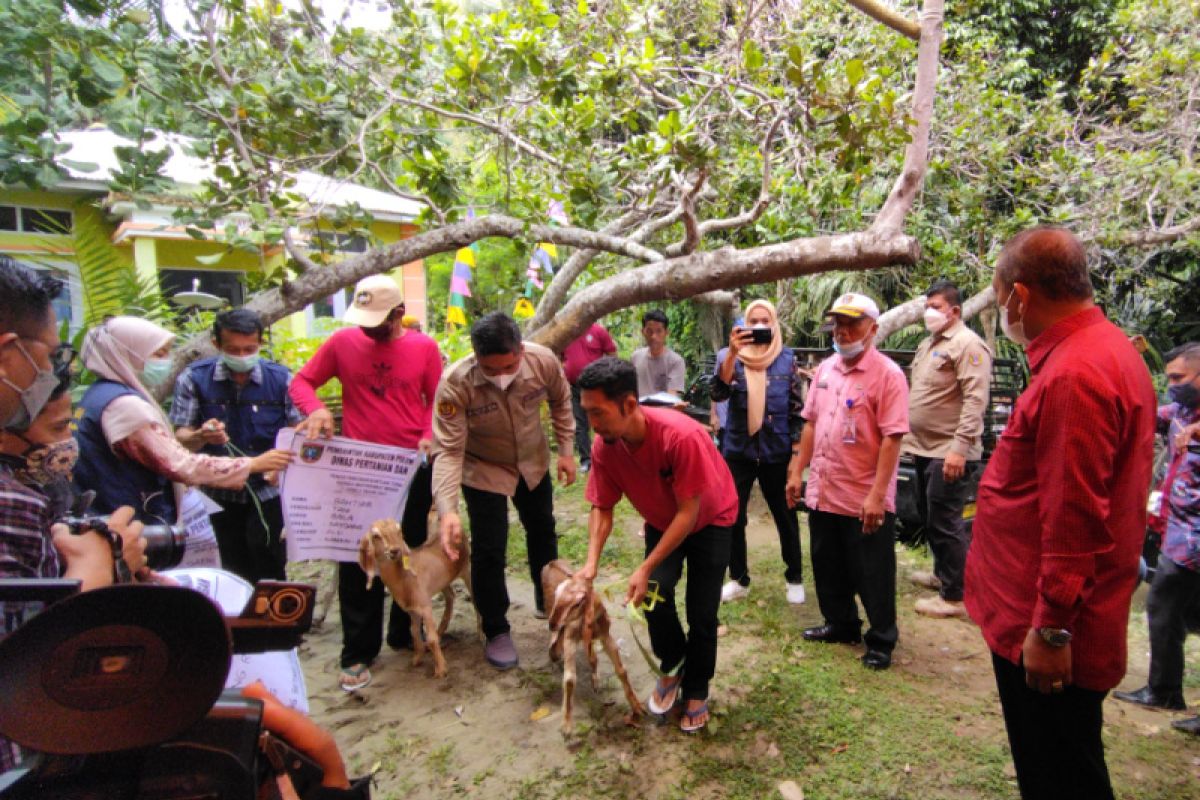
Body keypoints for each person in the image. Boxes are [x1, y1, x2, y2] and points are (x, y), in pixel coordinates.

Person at [963, 227, 1155, 800]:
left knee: (1060, 774)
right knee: (1058, 763)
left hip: (1049, 625)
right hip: (1042, 612)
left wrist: (1050, 627)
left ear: (1020, 296)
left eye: (1001, 299)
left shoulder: (1078, 374)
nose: (1004, 310)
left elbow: (1074, 518)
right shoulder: (1102, 350)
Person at [290, 274, 442, 693]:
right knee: (357, 553)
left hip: (411, 465)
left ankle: (402, 628)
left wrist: (429, 433)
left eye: (379, 320)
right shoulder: (342, 344)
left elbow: (437, 398)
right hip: (359, 466)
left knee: (406, 547)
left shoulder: (424, 348)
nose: (369, 328)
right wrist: (317, 408)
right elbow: (301, 382)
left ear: (399, 314)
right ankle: (357, 649)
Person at [574, 357, 737, 733]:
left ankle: (697, 687)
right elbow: (602, 505)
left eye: (598, 413)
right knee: (654, 596)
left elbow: (689, 514)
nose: (592, 424)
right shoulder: (605, 447)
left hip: (711, 518)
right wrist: (590, 563)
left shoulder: (681, 437)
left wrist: (645, 567)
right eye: (587, 413)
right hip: (664, 520)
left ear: (629, 405)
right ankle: (675, 663)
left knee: (702, 611)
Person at [435, 312, 576, 670]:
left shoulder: (542, 361)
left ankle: (549, 601)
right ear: (476, 357)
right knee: (488, 547)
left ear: (520, 350)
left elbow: (561, 401)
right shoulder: (456, 383)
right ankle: (496, 628)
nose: (501, 376)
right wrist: (447, 508)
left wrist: (566, 451)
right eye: (490, 369)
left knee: (542, 529)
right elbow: (449, 452)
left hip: (532, 461)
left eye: (509, 366)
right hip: (483, 468)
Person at [786, 293, 909, 671]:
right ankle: (841, 623)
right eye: (838, 323)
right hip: (825, 488)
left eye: (852, 323)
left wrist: (877, 496)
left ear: (872, 328)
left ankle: (881, 639)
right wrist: (796, 471)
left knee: (871, 570)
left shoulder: (888, 375)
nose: (842, 331)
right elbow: (810, 423)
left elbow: (892, 437)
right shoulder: (825, 370)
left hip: (862, 494)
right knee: (827, 562)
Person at [73, 317, 292, 527]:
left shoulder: (98, 395)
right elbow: (179, 464)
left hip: (111, 511)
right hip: (125, 515)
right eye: (158, 354)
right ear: (126, 354)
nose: (165, 362)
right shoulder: (124, 406)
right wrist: (252, 464)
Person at [170, 309, 304, 584]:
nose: (242, 357)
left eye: (250, 349)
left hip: (268, 491)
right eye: (233, 350)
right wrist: (202, 436)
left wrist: (283, 468)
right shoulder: (193, 379)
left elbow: (300, 430)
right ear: (217, 345)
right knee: (230, 566)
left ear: (260, 344)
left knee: (269, 562)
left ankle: (276, 625)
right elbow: (181, 437)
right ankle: (237, 624)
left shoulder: (281, 379)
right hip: (217, 495)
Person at [1113, 342, 1200, 735]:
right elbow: (1141, 412)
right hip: (1178, 534)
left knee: (1164, 604)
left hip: (1193, 539)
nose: (1173, 386)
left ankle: (1164, 689)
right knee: (1168, 611)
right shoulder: (1181, 413)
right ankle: (1164, 688)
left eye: (1179, 379)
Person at [902, 280, 992, 619]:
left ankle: (955, 596)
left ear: (954, 311)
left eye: (936, 307)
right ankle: (943, 574)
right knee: (930, 515)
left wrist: (959, 448)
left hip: (949, 450)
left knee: (945, 520)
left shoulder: (969, 345)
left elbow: (975, 399)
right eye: (927, 305)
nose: (929, 312)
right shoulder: (929, 344)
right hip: (924, 447)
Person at [711, 299, 806, 605]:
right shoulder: (731, 357)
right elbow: (718, 393)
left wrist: (795, 456)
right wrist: (733, 354)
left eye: (766, 320)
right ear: (745, 325)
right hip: (738, 449)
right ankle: (738, 578)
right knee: (733, 517)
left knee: (785, 514)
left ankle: (794, 577)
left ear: (775, 324)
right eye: (755, 321)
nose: (761, 326)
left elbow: (796, 410)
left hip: (775, 450)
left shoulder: (786, 358)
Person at [561, 321, 616, 471]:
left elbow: (612, 354)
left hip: (596, 387)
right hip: (574, 386)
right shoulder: (567, 333)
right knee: (579, 425)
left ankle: (607, 458)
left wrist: (606, 377)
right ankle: (586, 460)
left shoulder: (598, 331)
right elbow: (559, 357)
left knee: (603, 421)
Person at [630, 309, 686, 398]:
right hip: (638, 410)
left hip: (662, 410)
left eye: (659, 331)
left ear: (666, 332)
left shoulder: (676, 361)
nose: (653, 336)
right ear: (642, 332)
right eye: (649, 331)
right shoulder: (635, 357)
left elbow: (672, 396)